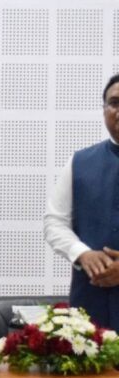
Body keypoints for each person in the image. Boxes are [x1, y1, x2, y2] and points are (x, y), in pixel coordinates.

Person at [45, 73, 119, 331]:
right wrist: (82, 254)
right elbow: (54, 223)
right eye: (115, 103)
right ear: (104, 110)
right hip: (90, 302)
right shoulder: (80, 163)